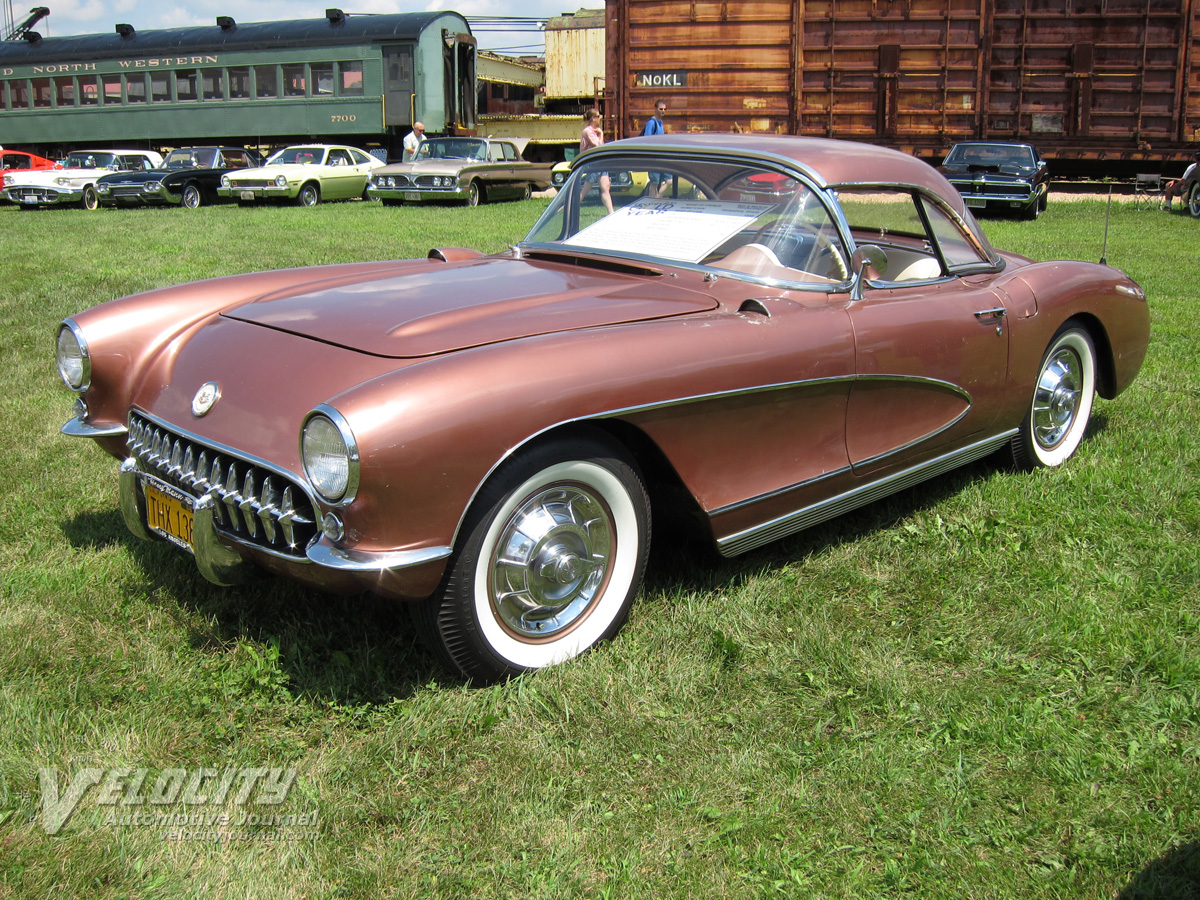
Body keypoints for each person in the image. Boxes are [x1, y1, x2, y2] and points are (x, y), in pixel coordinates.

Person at [578, 109, 613, 214]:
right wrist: (601, 133)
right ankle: (570, 209)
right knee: (585, 190)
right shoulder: (588, 131)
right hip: (592, 163)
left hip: (600, 162)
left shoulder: (595, 131)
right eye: (598, 116)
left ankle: (611, 213)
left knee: (605, 188)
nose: (600, 118)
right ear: (593, 118)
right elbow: (598, 146)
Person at [641, 100, 672, 197]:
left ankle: (657, 199)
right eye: (660, 109)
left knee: (669, 181)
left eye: (664, 109)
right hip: (653, 158)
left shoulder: (660, 122)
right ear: (655, 109)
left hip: (662, 157)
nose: (663, 111)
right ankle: (652, 203)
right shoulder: (651, 123)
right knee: (654, 183)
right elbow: (646, 139)